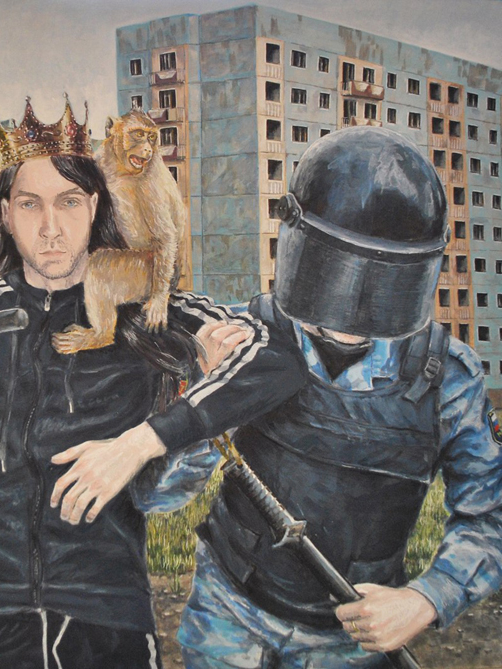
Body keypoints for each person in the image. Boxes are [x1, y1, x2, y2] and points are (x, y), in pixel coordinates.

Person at [0, 98, 308, 669]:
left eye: (69, 202)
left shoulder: (148, 314)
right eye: (29, 204)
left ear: (95, 206)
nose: (50, 228)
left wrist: (140, 444)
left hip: (111, 621)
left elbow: (277, 358)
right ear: (6, 214)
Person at [168, 126, 502, 668]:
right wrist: (206, 404)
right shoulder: (243, 339)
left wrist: (426, 598)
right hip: (229, 616)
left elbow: (491, 517)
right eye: (337, 276)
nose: (351, 313)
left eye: (380, 285)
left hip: (348, 645)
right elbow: (158, 497)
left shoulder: (447, 378)